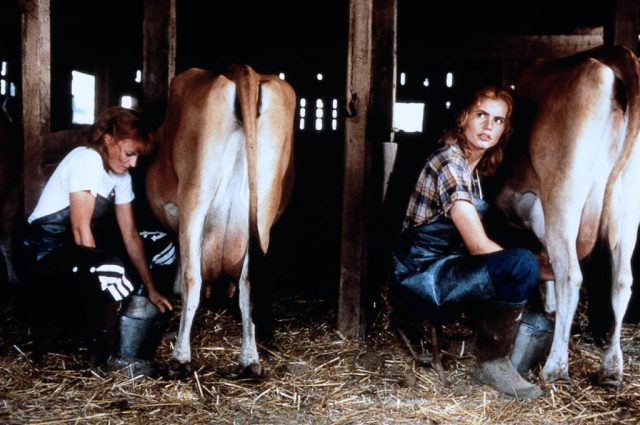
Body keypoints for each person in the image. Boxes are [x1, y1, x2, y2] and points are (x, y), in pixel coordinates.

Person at [391, 86, 543, 399]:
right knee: (521, 264)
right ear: (463, 119)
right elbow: (476, 245)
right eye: (481, 115)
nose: (489, 126)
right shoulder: (450, 162)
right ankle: (492, 362)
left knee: (518, 258)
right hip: (420, 277)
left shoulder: (473, 170)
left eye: (498, 120)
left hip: (443, 267)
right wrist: (535, 270)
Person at [20, 106, 174, 376]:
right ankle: (107, 351)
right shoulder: (87, 160)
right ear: (108, 140)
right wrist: (99, 281)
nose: (134, 163)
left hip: (75, 251)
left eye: (138, 156)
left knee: (163, 244)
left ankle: (139, 314)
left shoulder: (121, 176)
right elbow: (80, 230)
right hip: (45, 252)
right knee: (108, 268)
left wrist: (150, 288)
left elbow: (130, 234)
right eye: (130, 153)